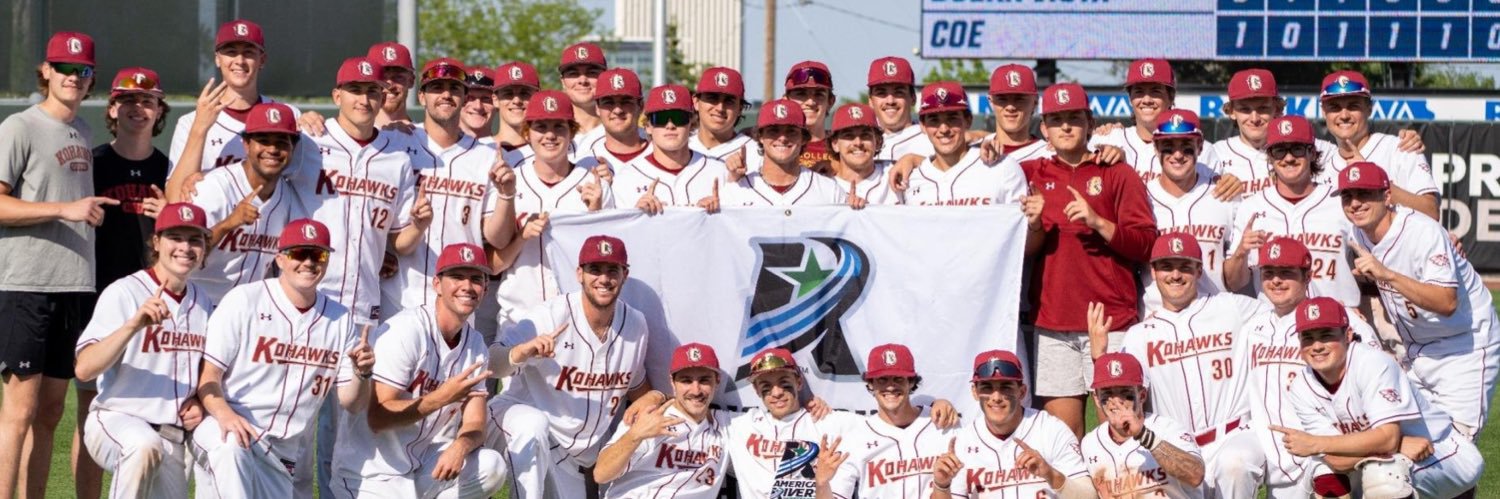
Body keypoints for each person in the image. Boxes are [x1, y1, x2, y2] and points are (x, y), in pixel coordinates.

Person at [0, 31, 119, 499]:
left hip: (75, 286)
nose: (73, 77)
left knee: (51, 412)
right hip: (27, 283)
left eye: (83, 70)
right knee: (20, 412)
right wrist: (63, 210)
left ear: (91, 80)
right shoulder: (19, 127)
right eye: (64, 68)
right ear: (46, 71)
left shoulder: (82, 132)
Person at [191, 218, 373, 496]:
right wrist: (225, 415)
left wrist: (362, 374)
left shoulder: (340, 319)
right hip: (223, 427)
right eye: (300, 253)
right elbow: (209, 376)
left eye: (318, 254)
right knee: (231, 451)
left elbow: (353, 403)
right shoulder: (244, 300)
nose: (309, 262)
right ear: (280, 259)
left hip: (282, 452)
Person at [1019, 82, 1157, 438]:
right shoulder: (1029, 173)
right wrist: (1034, 225)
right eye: (1057, 119)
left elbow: (1146, 245)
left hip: (1112, 320)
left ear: (1090, 123)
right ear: (1044, 128)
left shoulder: (1116, 172)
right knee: (1064, 439)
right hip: (1054, 322)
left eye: (1074, 119)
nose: (1066, 126)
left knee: (1124, 433)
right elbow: (1025, 251)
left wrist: (1098, 223)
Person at [1339, 162, 1500, 439]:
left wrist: (1386, 275)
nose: (1355, 203)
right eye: (1347, 196)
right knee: (1404, 441)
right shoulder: (1356, 233)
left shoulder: (1423, 232)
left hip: (1464, 347)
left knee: (1456, 448)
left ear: (1387, 196)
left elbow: (1446, 303)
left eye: (1365, 194)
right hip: (1416, 351)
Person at [485, 235, 653, 499]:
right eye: (594, 270)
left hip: (572, 453)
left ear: (625, 275)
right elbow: (492, 363)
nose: (604, 279)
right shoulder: (550, 315)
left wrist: (655, 399)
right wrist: (520, 352)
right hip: (515, 424)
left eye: (612, 270)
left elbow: (636, 386)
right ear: (579, 274)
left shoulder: (636, 324)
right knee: (533, 424)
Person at [332, 243, 504, 498]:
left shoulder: (476, 344)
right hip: (370, 471)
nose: (467, 286)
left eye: (476, 279)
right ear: (437, 284)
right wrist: (443, 397)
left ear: (485, 289)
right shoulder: (406, 330)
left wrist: (460, 445)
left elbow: (475, 422)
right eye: (457, 276)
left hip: (421, 463)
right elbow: (377, 418)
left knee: (491, 466)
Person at [1107, 232, 1268, 498]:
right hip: (1175, 447)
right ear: (1154, 271)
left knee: (1234, 465)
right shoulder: (1139, 335)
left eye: (1185, 267)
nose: (1175, 275)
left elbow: (1286, 315)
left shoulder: (1232, 307)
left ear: (1199, 270)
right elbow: (1120, 404)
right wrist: (1099, 356)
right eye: (1166, 267)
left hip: (1234, 435)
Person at [75, 65, 173, 498]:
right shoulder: (92, 163)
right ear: (112, 108)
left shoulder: (168, 170)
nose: (138, 107)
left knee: (148, 415)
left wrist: (170, 211)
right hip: (98, 299)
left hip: (152, 303)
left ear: (159, 111)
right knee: (91, 411)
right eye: (128, 100)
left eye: (147, 100)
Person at [1275, 297, 1483, 499]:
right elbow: (1334, 458)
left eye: (1327, 335)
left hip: (1442, 453)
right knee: (1323, 471)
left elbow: (1387, 437)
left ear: (1347, 335)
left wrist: (1316, 444)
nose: (1317, 346)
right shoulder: (1302, 386)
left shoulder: (1372, 363)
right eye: (1308, 337)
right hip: (1396, 457)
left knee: (1385, 477)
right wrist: (1397, 446)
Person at [75, 202, 212, 498]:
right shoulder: (125, 292)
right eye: (175, 237)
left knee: (151, 448)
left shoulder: (204, 303)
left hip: (171, 437)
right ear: (156, 241)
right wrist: (133, 325)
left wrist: (199, 400)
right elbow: (84, 368)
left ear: (204, 248)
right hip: (117, 419)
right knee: (142, 445)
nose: (185, 247)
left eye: (195, 239)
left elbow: (208, 370)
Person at [1242, 237, 1382, 498]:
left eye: (1286, 273)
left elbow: (1377, 378)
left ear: (1307, 276)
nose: (1276, 281)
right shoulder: (1252, 328)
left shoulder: (1341, 319)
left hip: (1333, 453)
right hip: (1279, 459)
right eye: (1269, 273)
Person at [383, 58, 515, 319]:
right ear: (421, 96)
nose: (445, 95)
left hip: (459, 300)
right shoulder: (394, 141)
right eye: (436, 88)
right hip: (398, 295)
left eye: (454, 89)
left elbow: (497, 239)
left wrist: (506, 194)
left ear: (465, 97)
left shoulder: (486, 155)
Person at [490, 90, 611, 332]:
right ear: (528, 132)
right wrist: (522, 237)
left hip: (578, 323)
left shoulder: (594, 185)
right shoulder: (512, 181)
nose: (550, 135)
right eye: (541, 127)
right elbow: (493, 266)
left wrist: (595, 214)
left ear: (572, 132)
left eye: (559, 127)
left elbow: (608, 264)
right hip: (518, 320)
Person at [1209, 69, 1424, 201]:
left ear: (1278, 109)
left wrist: (1409, 139)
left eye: (1263, 108)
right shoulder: (1213, 156)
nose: (1254, 117)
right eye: (1245, 109)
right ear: (1231, 112)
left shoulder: (1320, 151)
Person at [1224, 115, 1358, 308]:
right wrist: (1241, 252)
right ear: (1270, 157)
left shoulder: (1339, 202)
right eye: (1279, 150)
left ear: (1311, 153)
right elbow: (1233, 282)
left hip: (1335, 324)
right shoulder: (1252, 207)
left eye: (1297, 149)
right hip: (1277, 326)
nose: (1288, 158)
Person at [928, 350, 1091, 499]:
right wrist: (942, 486)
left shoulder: (1051, 429)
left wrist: (1051, 474)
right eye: (987, 387)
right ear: (975, 392)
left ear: (1022, 391)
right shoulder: (962, 442)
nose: (996, 396)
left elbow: (1089, 496)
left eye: (1006, 387)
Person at [166, 20, 300, 197]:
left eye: (249, 52)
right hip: (215, 222)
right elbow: (175, 198)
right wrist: (200, 128)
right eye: (231, 52)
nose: (240, 60)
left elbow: (301, 183)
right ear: (217, 59)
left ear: (262, 60)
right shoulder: (190, 122)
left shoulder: (287, 116)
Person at [186, 102, 303, 303]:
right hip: (197, 303)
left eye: (282, 142)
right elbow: (183, 252)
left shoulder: (289, 198)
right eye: (263, 140)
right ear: (246, 144)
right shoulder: (214, 187)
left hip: (248, 312)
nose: (272, 149)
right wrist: (228, 224)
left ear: (293, 147)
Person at [815, 344, 957, 499]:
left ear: (911, 382)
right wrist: (822, 484)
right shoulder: (856, 437)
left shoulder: (941, 424)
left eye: (898, 379)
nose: (890, 386)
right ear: (870, 384)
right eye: (882, 379)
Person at [593, 343, 730, 499]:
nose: (696, 390)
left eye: (704, 380)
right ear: (672, 382)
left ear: (717, 381)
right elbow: (601, 474)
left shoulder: (727, 426)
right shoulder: (649, 416)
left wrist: (657, 395)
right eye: (686, 381)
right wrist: (635, 435)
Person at [721, 347, 861, 499]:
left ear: (799, 381)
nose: (776, 393)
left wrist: (821, 484)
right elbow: (695, 411)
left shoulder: (830, 424)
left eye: (784, 383)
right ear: (756, 389)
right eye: (766, 386)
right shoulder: (739, 426)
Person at [1142, 109, 1238, 311]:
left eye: (1186, 147)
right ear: (1156, 147)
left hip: (1213, 318)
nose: (1177, 155)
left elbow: (1237, 274)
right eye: (1168, 147)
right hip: (1155, 317)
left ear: (1200, 146)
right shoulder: (1142, 198)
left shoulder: (1224, 195)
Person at [1082, 353, 1206, 499]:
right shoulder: (1090, 444)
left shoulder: (1167, 429)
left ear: (1141, 395)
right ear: (1096, 399)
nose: (1116, 401)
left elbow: (1195, 475)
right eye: (1108, 393)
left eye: (1125, 393)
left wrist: (1144, 436)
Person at [1320, 70, 1440, 219]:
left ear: (1369, 108)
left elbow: (1431, 211)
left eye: (1353, 106)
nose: (1344, 115)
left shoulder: (1401, 148)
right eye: (1334, 107)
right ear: (1324, 112)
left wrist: (1373, 178)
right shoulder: (1319, 162)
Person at [902, 81, 1028, 207]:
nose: (944, 129)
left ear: (968, 121)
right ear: (923, 126)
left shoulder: (1002, 168)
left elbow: (1022, 223)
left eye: (952, 118)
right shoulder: (911, 180)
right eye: (934, 120)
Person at [1091, 59, 1219, 179]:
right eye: (1139, 92)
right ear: (1130, 98)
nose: (1146, 100)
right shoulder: (1106, 139)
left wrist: (1229, 183)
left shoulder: (1200, 149)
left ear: (1171, 97)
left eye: (1155, 91)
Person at [712, 99, 847, 208]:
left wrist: (857, 209)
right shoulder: (735, 192)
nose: (782, 138)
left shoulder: (829, 191)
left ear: (804, 138)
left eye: (791, 131)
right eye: (773, 131)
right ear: (760, 136)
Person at [613, 84, 728, 212]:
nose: (670, 125)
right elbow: (617, 231)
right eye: (660, 118)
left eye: (678, 118)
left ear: (692, 123)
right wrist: (635, 215)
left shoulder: (720, 172)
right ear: (647, 126)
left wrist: (718, 214)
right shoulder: (626, 178)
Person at [828, 103, 900, 206]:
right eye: (849, 136)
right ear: (835, 144)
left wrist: (912, 159)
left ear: (878, 142)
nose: (858, 143)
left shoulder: (896, 173)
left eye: (865, 135)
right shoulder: (823, 187)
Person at [865, 56, 933, 164]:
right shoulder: (858, 143)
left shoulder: (932, 141)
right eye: (881, 93)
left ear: (913, 98)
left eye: (899, 92)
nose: (890, 100)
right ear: (870, 101)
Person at [687, 67, 753, 161]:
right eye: (712, 98)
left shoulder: (755, 154)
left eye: (729, 101)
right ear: (696, 102)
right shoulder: (679, 146)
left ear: (740, 109)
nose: (720, 108)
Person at [590, 68, 650, 170]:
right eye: (608, 102)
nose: (617, 110)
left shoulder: (663, 158)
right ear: (597, 108)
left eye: (626, 102)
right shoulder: (584, 164)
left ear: (641, 106)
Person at [558, 42, 608, 160]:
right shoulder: (547, 133)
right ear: (563, 81)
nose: (583, 80)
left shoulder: (624, 131)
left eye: (591, 73)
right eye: (573, 74)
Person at [366, 41, 418, 127]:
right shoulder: (353, 135)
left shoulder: (423, 137)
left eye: (398, 77)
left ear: (411, 80)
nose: (389, 84)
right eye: (382, 77)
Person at [493, 62, 540, 155]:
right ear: (495, 100)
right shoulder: (477, 148)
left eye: (525, 93)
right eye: (508, 93)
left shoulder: (549, 152)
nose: (517, 100)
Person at [461, 66, 499, 144]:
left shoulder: (507, 153)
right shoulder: (436, 149)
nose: (478, 106)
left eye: (486, 98)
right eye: (470, 98)